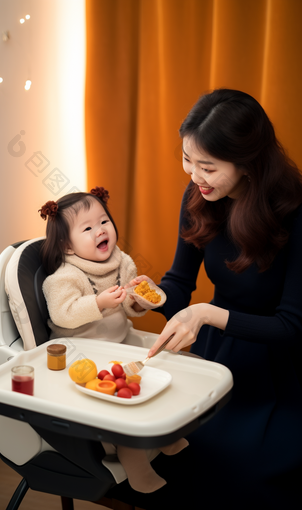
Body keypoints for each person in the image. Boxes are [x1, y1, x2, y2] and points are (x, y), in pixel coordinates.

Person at [130, 89, 302, 508]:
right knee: (176, 452)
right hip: (214, 361)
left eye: (207, 166)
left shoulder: (293, 211)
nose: (194, 176)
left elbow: (291, 326)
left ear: (248, 162)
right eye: (188, 160)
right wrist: (148, 298)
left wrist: (210, 314)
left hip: (282, 369)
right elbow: (178, 285)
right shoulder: (199, 199)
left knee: (249, 473)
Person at [38, 187, 188, 493]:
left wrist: (140, 299)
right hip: (83, 351)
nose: (101, 230)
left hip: (119, 341)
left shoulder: (122, 262)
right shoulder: (64, 277)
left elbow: (132, 310)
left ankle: (166, 435)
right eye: (88, 228)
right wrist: (99, 303)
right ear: (67, 245)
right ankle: (136, 467)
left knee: (169, 367)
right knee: (121, 401)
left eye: (104, 221)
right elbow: (63, 314)